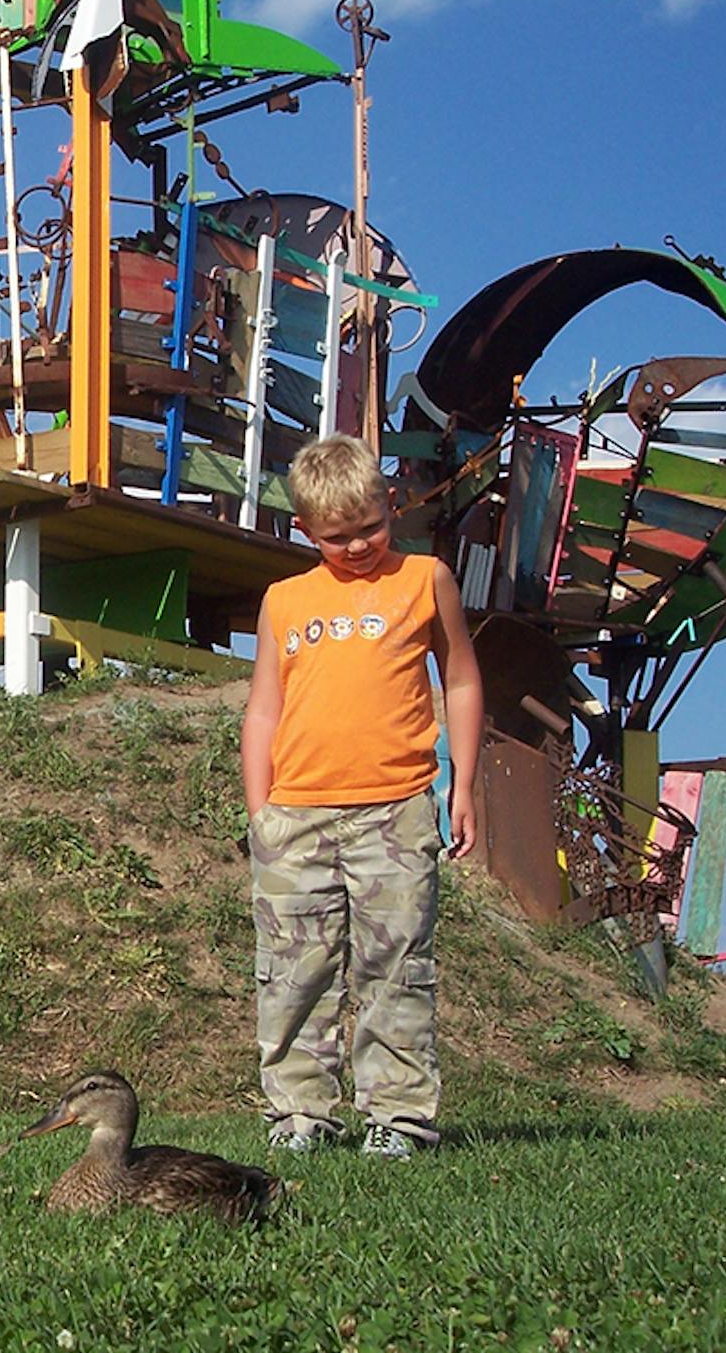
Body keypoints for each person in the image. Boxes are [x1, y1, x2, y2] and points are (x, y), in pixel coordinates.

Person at [240, 434, 481, 1159]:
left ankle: (399, 1118)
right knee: (293, 972)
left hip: (397, 809)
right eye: (337, 537)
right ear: (305, 530)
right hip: (296, 816)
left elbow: (462, 679)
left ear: (391, 506)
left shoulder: (425, 578)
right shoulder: (285, 600)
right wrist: (260, 810)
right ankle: (300, 1114)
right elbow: (262, 709)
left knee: (395, 966)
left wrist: (460, 785)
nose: (357, 547)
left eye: (371, 527)